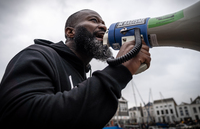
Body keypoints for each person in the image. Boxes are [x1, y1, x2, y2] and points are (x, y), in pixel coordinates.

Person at [0, 9, 151, 129]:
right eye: (94, 20)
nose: (104, 26)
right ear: (70, 32)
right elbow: (20, 116)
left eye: (104, 23)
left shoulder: (83, 77)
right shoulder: (38, 55)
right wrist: (119, 72)